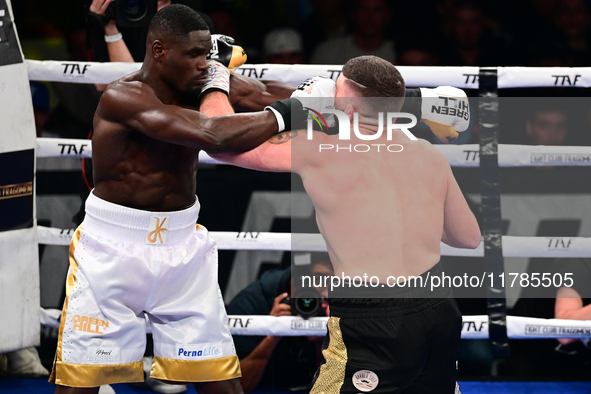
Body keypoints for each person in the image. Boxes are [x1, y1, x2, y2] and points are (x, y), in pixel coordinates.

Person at [49, 5, 305, 393]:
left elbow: (263, 96)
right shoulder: (124, 97)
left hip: (183, 249)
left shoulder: (201, 82)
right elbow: (212, 135)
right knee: (78, 386)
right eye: (194, 55)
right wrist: (291, 113)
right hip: (112, 253)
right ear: (158, 51)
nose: (205, 64)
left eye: (207, 54)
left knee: (221, 383)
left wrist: (325, 100)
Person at [210, 56, 481, 393]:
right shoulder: (430, 155)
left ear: (349, 107)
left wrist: (214, 75)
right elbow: (468, 237)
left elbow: (219, 139)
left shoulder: (319, 152)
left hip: (372, 320)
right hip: (438, 308)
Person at [226, 253, 333, 393]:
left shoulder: (339, 303)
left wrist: (323, 342)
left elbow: (337, 386)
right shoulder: (253, 302)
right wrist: (273, 333)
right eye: (320, 279)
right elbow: (234, 389)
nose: (327, 291)